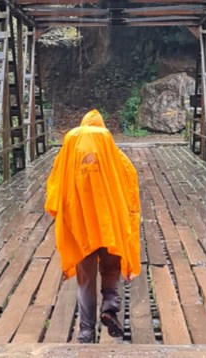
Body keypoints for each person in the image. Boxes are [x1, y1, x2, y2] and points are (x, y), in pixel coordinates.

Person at [45, 109, 141, 343]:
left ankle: (87, 330)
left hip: (81, 227)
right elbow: (131, 196)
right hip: (110, 226)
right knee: (110, 267)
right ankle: (109, 305)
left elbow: (54, 190)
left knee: (85, 278)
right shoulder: (117, 158)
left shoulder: (68, 153)